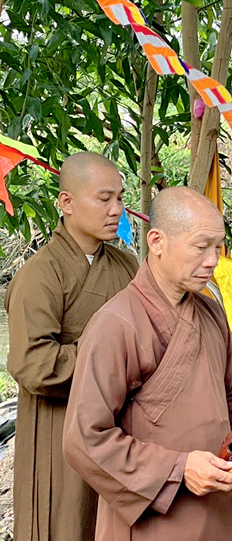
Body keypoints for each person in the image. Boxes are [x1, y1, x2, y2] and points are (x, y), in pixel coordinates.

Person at [62, 187, 232, 540]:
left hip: (221, 504)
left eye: (218, 247)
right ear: (157, 242)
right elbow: (84, 439)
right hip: (157, 516)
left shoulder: (211, 312)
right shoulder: (116, 323)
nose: (213, 260)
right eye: (201, 247)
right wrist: (178, 469)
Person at [3, 152, 138, 541]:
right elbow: (34, 364)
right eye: (104, 198)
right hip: (58, 426)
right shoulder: (40, 275)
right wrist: (110, 360)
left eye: (120, 198)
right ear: (67, 202)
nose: (116, 210)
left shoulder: (127, 267)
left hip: (118, 427)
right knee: (64, 523)